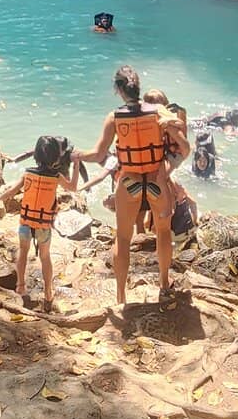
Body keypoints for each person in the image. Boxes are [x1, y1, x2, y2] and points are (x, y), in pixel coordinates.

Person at [75, 65, 176, 304]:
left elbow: (98, 154)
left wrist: (77, 154)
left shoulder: (114, 117)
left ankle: (121, 295)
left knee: (122, 238)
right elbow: (178, 121)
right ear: (138, 86)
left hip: (129, 181)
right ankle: (163, 283)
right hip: (155, 182)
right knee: (162, 232)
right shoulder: (158, 111)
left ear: (119, 90)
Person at [0, 135, 80, 310]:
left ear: (36, 155)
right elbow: (73, 187)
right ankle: (48, 292)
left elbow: (11, 191)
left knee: (23, 252)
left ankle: (20, 287)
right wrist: (77, 164)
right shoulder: (56, 177)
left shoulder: (28, 173)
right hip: (43, 225)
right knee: (45, 257)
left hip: (26, 223)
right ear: (55, 157)